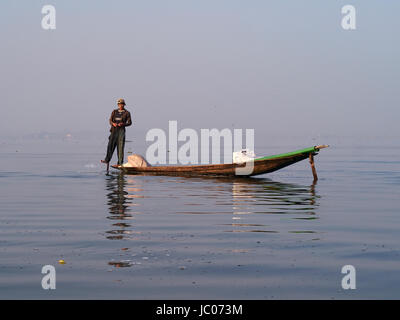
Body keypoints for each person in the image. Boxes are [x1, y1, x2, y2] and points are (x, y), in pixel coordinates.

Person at [101, 98, 132, 167]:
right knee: (110, 146)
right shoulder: (114, 112)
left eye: (122, 104)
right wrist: (113, 124)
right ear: (118, 105)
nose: (121, 105)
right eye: (119, 104)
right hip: (114, 130)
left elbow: (130, 123)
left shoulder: (127, 113)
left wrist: (123, 124)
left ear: (124, 105)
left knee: (120, 148)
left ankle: (120, 163)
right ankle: (107, 160)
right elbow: (110, 120)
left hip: (121, 131)